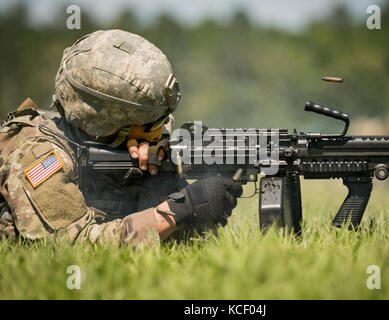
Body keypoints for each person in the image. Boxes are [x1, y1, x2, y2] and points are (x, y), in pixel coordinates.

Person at [0, 29, 242, 247]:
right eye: (152, 126)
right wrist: (177, 211)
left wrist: (187, 201)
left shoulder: (107, 149)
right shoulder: (40, 157)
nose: (161, 133)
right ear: (108, 124)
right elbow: (73, 247)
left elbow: (187, 254)